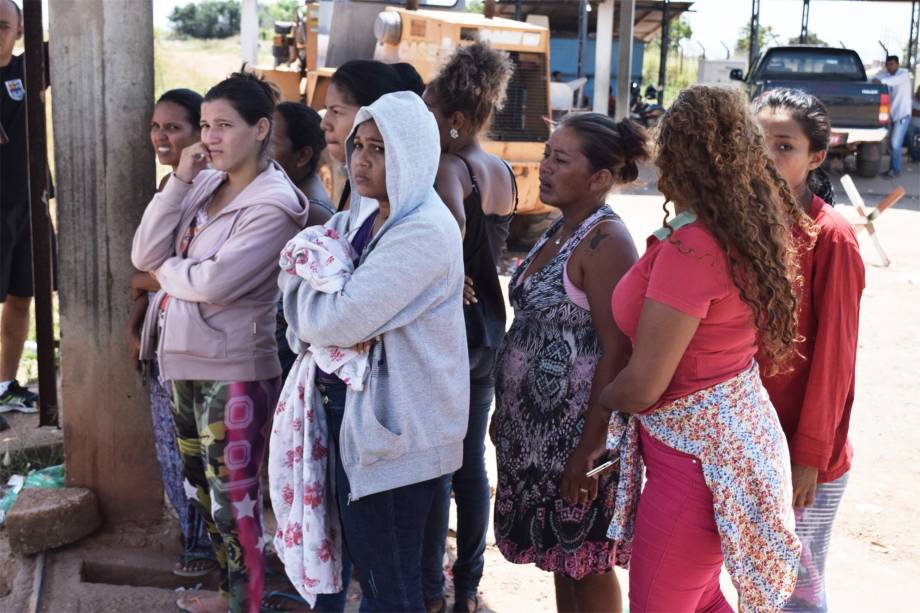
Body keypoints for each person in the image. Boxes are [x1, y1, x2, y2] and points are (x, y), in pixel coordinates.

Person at [601, 85, 809, 612]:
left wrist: (594, 405)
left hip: (693, 467)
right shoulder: (736, 229)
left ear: (675, 152)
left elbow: (645, 385)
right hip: (720, 456)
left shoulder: (693, 247)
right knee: (701, 601)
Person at [280, 90, 467, 612]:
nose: (360, 159)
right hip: (364, 424)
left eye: (379, 148)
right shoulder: (367, 216)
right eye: (358, 145)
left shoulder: (425, 230)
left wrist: (320, 308)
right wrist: (319, 306)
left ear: (411, 154)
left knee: (391, 588)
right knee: (371, 572)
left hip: (399, 433)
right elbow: (295, 267)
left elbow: (338, 319)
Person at [131, 70, 308, 613]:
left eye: (222, 126)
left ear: (260, 129)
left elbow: (215, 283)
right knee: (203, 493)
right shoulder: (203, 181)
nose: (208, 137)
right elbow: (144, 255)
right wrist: (179, 184)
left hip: (234, 368)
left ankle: (246, 603)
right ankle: (232, 594)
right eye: (204, 125)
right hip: (181, 361)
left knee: (236, 501)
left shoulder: (275, 203)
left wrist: (171, 271)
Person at [491, 113, 647, 613]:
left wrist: (592, 449)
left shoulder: (606, 242)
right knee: (562, 558)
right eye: (546, 155)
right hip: (538, 437)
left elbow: (617, 348)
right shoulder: (561, 228)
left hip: (579, 438)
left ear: (600, 178)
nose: (545, 167)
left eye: (561, 159)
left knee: (587, 561)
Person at [754, 88, 865, 613]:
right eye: (757, 144)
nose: (767, 159)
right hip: (746, 444)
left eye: (784, 147)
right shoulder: (741, 227)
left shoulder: (832, 236)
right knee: (752, 584)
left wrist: (810, 456)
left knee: (796, 594)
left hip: (803, 455)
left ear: (816, 156)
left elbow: (836, 359)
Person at [419, 42, 515, 613]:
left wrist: (447, 273)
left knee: (437, 465)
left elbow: (451, 224)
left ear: (454, 120)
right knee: (471, 464)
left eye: (431, 114)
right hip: (488, 331)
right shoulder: (499, 168)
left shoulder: (449, 166)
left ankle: (433, 585)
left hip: (451, 331)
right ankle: (470, 586)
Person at [124, 87, 221, 579]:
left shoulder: (212, 189)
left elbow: (180, 272)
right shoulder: (172, 185)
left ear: (199, 135)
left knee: (202, 451)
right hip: (161, 338)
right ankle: (192, 537)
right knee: (172, 449)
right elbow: (146, 267)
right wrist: (136, 314)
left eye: (175, 128)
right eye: (156, 127)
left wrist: (148, 280)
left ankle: (208, 550)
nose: (163, 136)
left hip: (197, 340)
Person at [269, 101, 333, 383]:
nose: (258, 152)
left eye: (270, 143)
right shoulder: (292, 200)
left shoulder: (310, 213)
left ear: (303, 155)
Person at [318, 60, 424, 211]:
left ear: (372, 115)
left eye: (336, 111)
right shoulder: (359, 184)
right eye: (327, 109)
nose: (324, 124)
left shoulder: (386, 200)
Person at [0, 0, 37, 418]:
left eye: (3, 25)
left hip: (28, 201)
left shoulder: (29, 70)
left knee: (23, 295)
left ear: (20, 30)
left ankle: (5, 384)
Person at [873, 55, 912, 177]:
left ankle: (896, 170)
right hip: (893, 116)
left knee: (895, 143)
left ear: (897, 64)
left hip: (903, 115)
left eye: (892, 64)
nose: (889, 67)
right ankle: (892, 169)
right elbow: (875, 78)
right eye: (888, 64)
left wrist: (880, 80)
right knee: (892, 144)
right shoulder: (888, 76)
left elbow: (888, 81)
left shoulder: (904, 74)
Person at [909, 85, 920, 162]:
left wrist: (916, 112)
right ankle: (914, 156)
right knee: (909, 137)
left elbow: (915, 112)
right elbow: (910, 112)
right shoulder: (913, 98)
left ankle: (917, 156)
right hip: (912, 124)